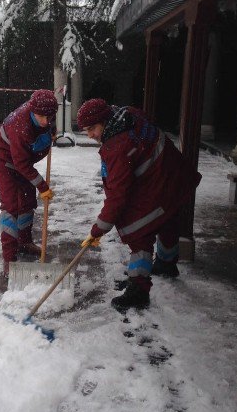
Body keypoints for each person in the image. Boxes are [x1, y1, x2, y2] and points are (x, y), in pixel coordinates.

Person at [77, 98, 201, 312]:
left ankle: (138, 289)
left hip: (165, 179)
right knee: (167, 217)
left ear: (105, 121)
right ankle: (166, 263)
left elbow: (117, 195)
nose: (90, 135)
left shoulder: (118, 146)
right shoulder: (126, 115)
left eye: (93, 129)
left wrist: (98, 229)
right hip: (173, 176)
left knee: (138, 231)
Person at [0, 89, 59, 276]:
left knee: (28, 201)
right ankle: (9, 259)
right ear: (32, 111)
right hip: (5, 161)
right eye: (41, 117)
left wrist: (50, 133)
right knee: (10, 206)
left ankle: (24, 242)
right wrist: (42, 186)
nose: (46, 121)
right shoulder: (20, 126)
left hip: (23, 161)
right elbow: (20, 163)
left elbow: (46, 128)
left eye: (49, 117)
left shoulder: (45, 115)